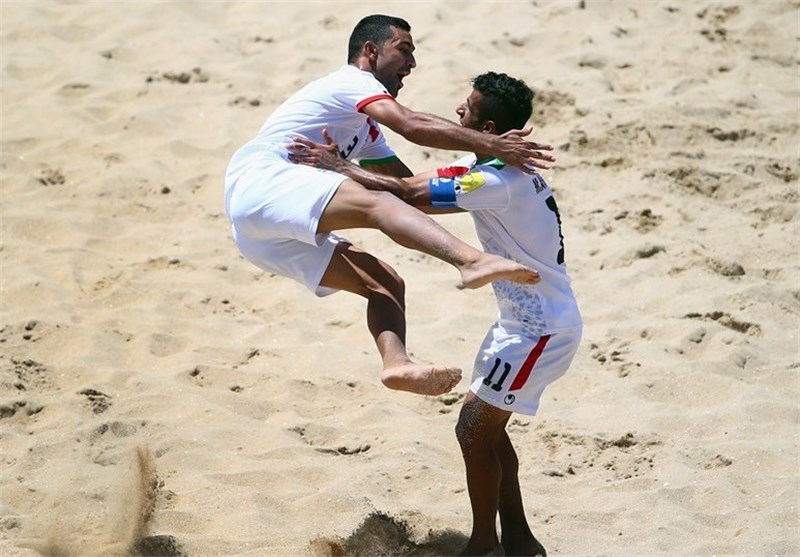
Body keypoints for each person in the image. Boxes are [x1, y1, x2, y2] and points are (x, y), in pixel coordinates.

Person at [287, 71, 582, 557]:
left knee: (472, 429)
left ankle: (485, 545)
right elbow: (406, 181)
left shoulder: (493, 180)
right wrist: (360, 152)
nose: (458, 112)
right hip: (519, 324)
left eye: (467, 108)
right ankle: (521, 542)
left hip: (540, 330)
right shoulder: (482, 164)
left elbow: (407, 195)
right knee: (485, 430)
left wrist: (338, 166)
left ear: (488, 125)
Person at [224, 15, 556, 397]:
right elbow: (411, 124)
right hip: (260, 177)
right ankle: (472, 261)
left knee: (385, 282)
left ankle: (396, 364)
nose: (412, 64)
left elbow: (406, 192)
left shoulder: (366, 130)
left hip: (256, 234)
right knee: (375, 203)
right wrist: (493, 146)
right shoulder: (351, 81)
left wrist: (347, 167)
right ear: (370, 50)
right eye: (404, 50)